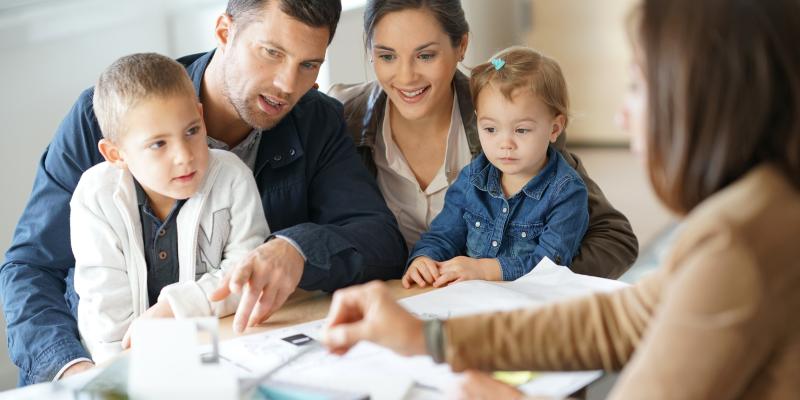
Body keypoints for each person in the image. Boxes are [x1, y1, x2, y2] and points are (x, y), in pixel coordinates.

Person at [321, 0, 800, 397]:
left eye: (638, 84)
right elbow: (620, 321)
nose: (621, 115)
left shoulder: (736, 243)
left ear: (708, 97)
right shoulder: (756, 207)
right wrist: (430, 339)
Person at [0, 0, 406, 385]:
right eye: (270, 52)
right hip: (99, 366)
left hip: (231, 364)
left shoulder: (315, 119)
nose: (287, 84)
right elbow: (30, 268)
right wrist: (75, 372)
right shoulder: (104, 117)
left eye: (308, 64)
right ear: (225, 31)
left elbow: (379, 237)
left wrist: (296, 251)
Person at [328, 0, 638, 279]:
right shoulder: (342, 117)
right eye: (387, 56)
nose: (407, 76)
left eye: (425, 55)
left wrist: (508, 275)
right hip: (394, 302)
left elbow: (614, 240)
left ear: (461, 45)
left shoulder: (516, 114)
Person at [70, 53, 270, 363]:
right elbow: (104, 315)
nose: (184, 156)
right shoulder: (95, 197)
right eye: (158, 144)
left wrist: (174, 309)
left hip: (217, 348)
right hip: (124, 361)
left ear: (201, 118)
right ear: (115, 153)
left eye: (191, 131)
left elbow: (248, 272)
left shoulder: (232, 177)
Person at [403, 47, 588, 288]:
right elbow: (443, 235)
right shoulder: (471, 180)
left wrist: (485, 269)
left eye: (521, 130)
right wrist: (424, 259)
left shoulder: (566, 192)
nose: (505, 144)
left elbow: (551, 265)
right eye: (490, 129)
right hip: (471, 301)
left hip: (531, 309)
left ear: (554, 128)